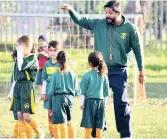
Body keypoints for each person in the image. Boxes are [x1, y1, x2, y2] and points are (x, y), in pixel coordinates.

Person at [61, 1, 145, 138]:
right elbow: (81, 20)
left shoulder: (130, 28)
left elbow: (138, 50)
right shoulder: (99, 24)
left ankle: (126, 135)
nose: (107, 15)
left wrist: (141, 71)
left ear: (118, 13)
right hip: (100, 71)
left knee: (121, 104)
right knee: (97, 103)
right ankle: (98, 134)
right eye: (105, 12)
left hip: (119, 70)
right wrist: (71, 10)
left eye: (110, 13)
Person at [10, 35, 44, 139]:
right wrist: (10, 92)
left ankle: (39, 132)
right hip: (17, 88)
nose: (17, 50)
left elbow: (21, 67)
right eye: (16, 48)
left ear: (27, 47)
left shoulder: (32, 58)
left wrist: (19, 53)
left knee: (26, 117)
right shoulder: (18, 59)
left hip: (26, 89)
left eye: (19, 47)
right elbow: (15, 78)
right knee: (19, 116)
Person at [47, 50, 80, 139]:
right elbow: (77, 91)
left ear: (58, 61)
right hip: (70, 99)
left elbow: (50, 92)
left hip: (59, 99)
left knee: (60, 123)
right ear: (68, 60)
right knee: (69, 120)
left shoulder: (55, 75)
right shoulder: (72, 74)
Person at [79, 51, 109, 138]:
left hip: (89, 103)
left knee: (88, 124)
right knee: (100, 124)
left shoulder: (86, 76)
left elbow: (82, 93)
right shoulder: (104, 76)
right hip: (101, 103)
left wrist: (81, 104)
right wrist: (104, 104)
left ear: (90, 63)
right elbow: (106, 94)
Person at [41, 40, 60, 138]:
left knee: (59, 114)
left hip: (59, 94)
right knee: (50, 115)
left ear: (59, 51)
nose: (52, 52)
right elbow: (44, 79)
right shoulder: (47, 64)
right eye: (50, 50)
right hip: (49, 93)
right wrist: (43, 93)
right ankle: (52, 135)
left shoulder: (61, 64)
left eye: (55, 50)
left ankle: (59, 134)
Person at [8, 50, 18, 121]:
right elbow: (14, 81)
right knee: (16, 112)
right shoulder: (15, 67)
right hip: (15, 93)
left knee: (25, 115)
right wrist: (11, 93)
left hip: (24, 93)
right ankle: (19, 130)